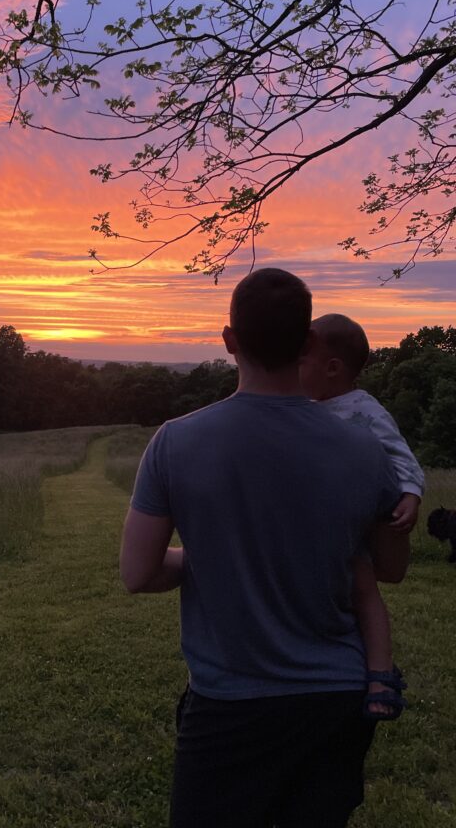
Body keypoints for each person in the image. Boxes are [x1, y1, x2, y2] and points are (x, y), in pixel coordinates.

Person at [120, 268, 409, 828]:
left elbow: (139, 572)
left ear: (229, 341)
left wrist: (204, 558)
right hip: (337, 701)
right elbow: (391, 569)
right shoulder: (365, 449)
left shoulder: (175, 441)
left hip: (230, 703)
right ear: (306, 343)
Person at [300, 312, 425, 722]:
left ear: (332, 368)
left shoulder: (364, 410)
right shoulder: (304, 407)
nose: (293, 368)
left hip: (355, 528)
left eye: (301, 360)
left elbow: (398, 454)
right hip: (323, 526)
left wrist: (410, 493)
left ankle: (380, 676)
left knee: (366, 590)